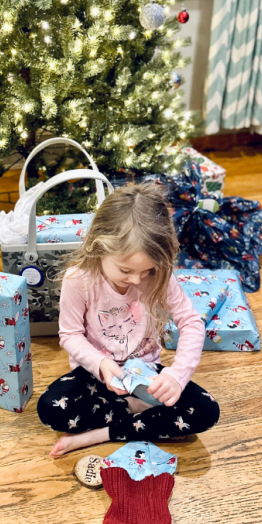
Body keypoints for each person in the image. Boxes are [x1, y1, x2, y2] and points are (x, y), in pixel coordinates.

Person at [37, 182, 220, 458]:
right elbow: (70, 335)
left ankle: (100, 435)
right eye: (125, 270)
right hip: (96, 377)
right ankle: (142, 417)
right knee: (51, 409)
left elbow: (192, 323)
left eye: (147, 271)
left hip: (144, 375)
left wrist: (177, 376)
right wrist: (101, 363)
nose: (137, 280)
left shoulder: (160, 276)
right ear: (100, 246)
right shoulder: (79, 280)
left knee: (207, 411)